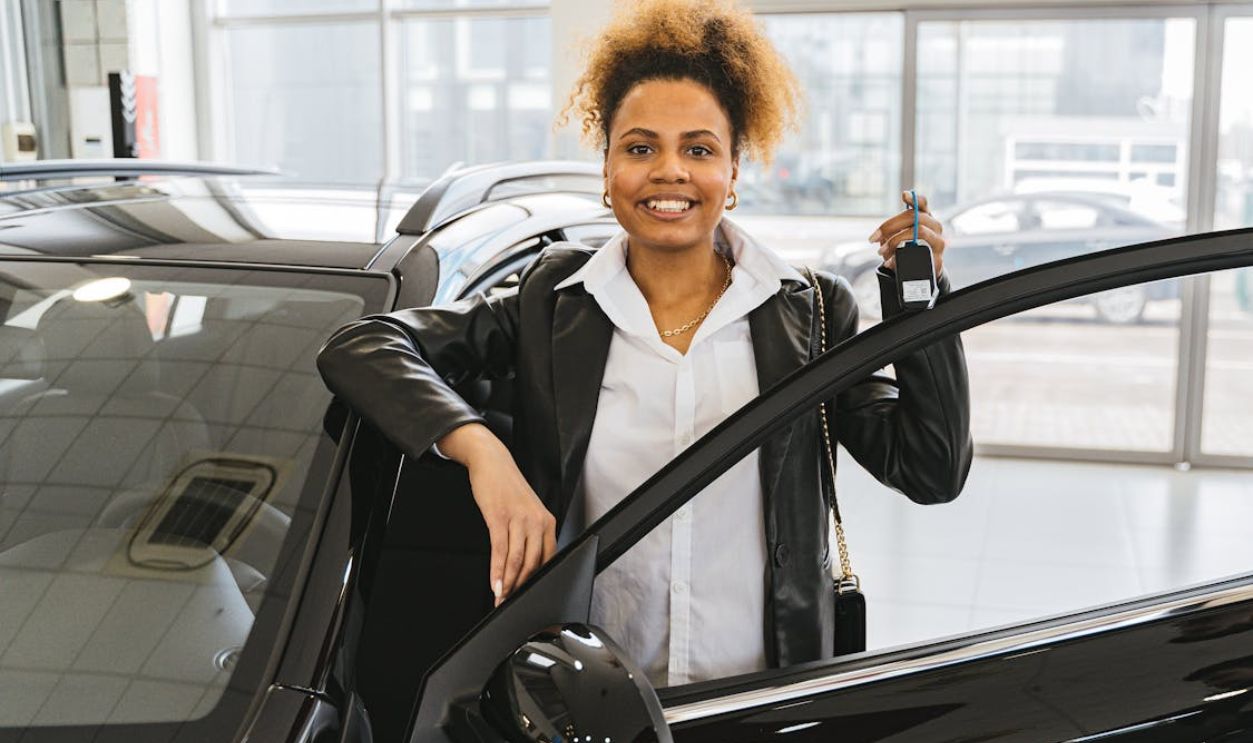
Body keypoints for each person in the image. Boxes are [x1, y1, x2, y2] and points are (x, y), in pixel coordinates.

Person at [317, 0, 972, 688]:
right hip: (590, 698)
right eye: (639, 147)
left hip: (758, 694)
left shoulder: (808, 313)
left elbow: (928, 467)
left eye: (698, 148)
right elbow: (365, 345)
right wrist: (483, 453)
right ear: (606, 170)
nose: (669, 171)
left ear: (733, 172)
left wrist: (917, 300)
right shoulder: (552, 303)